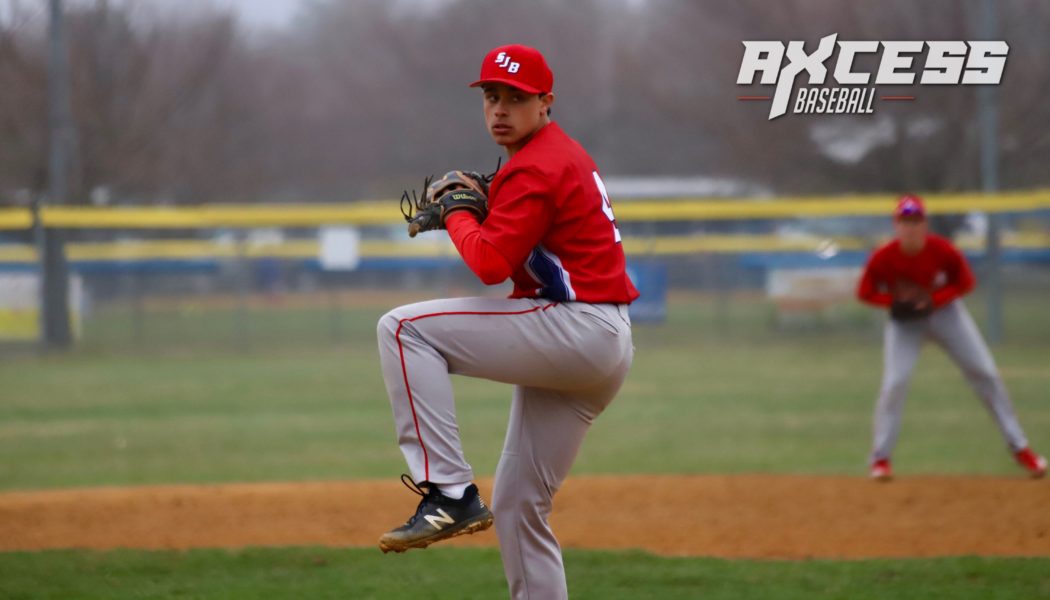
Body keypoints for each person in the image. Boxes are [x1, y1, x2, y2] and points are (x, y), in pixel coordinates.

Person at [375, 43, 638, 599]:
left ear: (545, 102)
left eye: (516, 98)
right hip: (597, 343)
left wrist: (461, 214)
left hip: (576, 329)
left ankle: (449, 492)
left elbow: (490, 264)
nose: (500, 109)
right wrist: (479, 210)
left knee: (403, 329)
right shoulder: (551, 157)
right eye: (492, 96)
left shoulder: (537, 165)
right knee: (520, 506)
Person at [856, 194, 1046, 481]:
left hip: (947, 315)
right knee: (895, 382)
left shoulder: (942, 250)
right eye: (905, 221)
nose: (911, 227)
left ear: (925, 224)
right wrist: (892, 303)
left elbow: (966, 282)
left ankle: (1021, 448)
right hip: (905, 324)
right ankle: (881, 459)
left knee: (985, 373)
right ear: (896, 225)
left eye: (916, 221)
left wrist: (934, 300)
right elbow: (865, 292)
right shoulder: (884, 257)